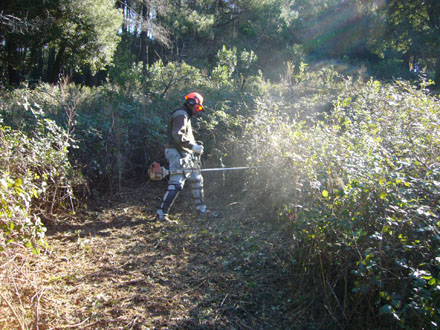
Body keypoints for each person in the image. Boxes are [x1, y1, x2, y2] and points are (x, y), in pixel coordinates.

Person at [156, 92, 216, 222]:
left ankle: (202, 210)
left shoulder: (185, 115)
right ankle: (161, 214)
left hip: (185, 154)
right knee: (176, 184)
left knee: (196, 179)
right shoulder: (181, 115)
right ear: (192, 103)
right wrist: (192, 146)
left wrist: (193, 147)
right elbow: (177, 135)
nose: (198, 110)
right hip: (177, 153)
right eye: (198, 107)